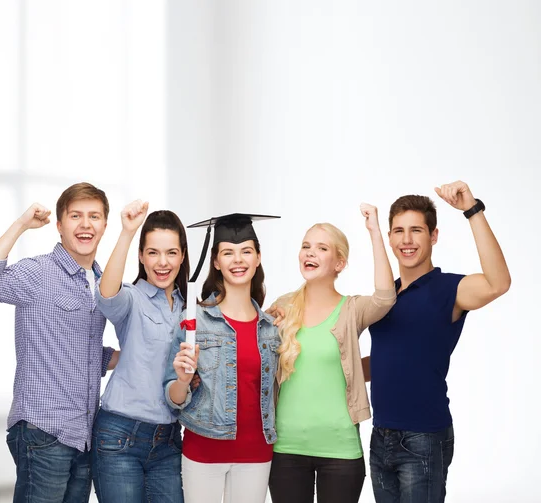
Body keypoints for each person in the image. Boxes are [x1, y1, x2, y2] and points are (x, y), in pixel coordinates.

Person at [0, 182, 117, 503]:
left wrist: (131, 356)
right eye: (76, 215)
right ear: (60, 226)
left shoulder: (104, 282)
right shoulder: (38, 273)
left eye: (94, 216)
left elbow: (83, 352)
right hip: (43, 430)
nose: (85, 224)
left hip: (84, 433)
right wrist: (20, 225)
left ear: (104, 225)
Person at [368, 180, 511, 503]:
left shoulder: (449, 290)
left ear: (433, 236)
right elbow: (386, 360)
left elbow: (498, 283)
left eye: (416, 230)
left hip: (423, 437)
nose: (406, 240)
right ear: (389, 237)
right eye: (399, 231)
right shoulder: (386, 295)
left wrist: (472, 210)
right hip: (381, 436)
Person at [267, 204, 396, 503]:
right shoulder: (281, 307)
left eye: (321, 248)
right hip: (286, 448)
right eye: (305, 246)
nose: (310, 253)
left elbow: (386, 297)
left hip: (340, 451)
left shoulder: (351, 310)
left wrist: (375, 232)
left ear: (340, 263)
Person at [164, 213, 280, 503]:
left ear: (258, 258)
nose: (237, 260)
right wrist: (182, 380)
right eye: (228, 252)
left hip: (256, 455)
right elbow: (173, 398)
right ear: (216, 261)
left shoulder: (270, 328)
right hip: (204, 452)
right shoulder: (194, 321)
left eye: (246, 252)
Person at [91, 200, 190, 503]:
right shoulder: (132, 299)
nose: (163, 262)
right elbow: (106, 293)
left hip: (169, 440)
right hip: (119, 436)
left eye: (171, 252)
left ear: (182, 255)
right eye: (153, 252)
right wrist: (127, 232)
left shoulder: (192, 308)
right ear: (141, 256)